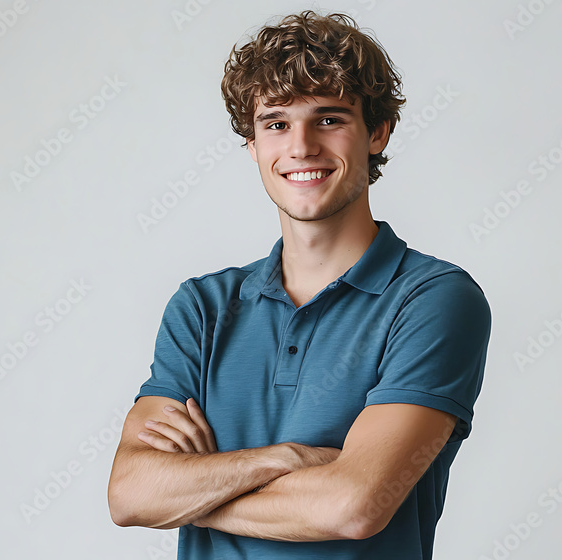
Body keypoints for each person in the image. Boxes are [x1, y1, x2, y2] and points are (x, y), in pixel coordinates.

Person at [107, 10, 491, 559]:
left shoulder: (432, 299)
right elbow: (129, 494)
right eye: (277, 123)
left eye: (329, 119)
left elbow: (354, 505)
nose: (302, 146)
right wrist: (284, 458)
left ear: (378, 132)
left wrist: (192, 489)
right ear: (252, 144)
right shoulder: (202, 308)